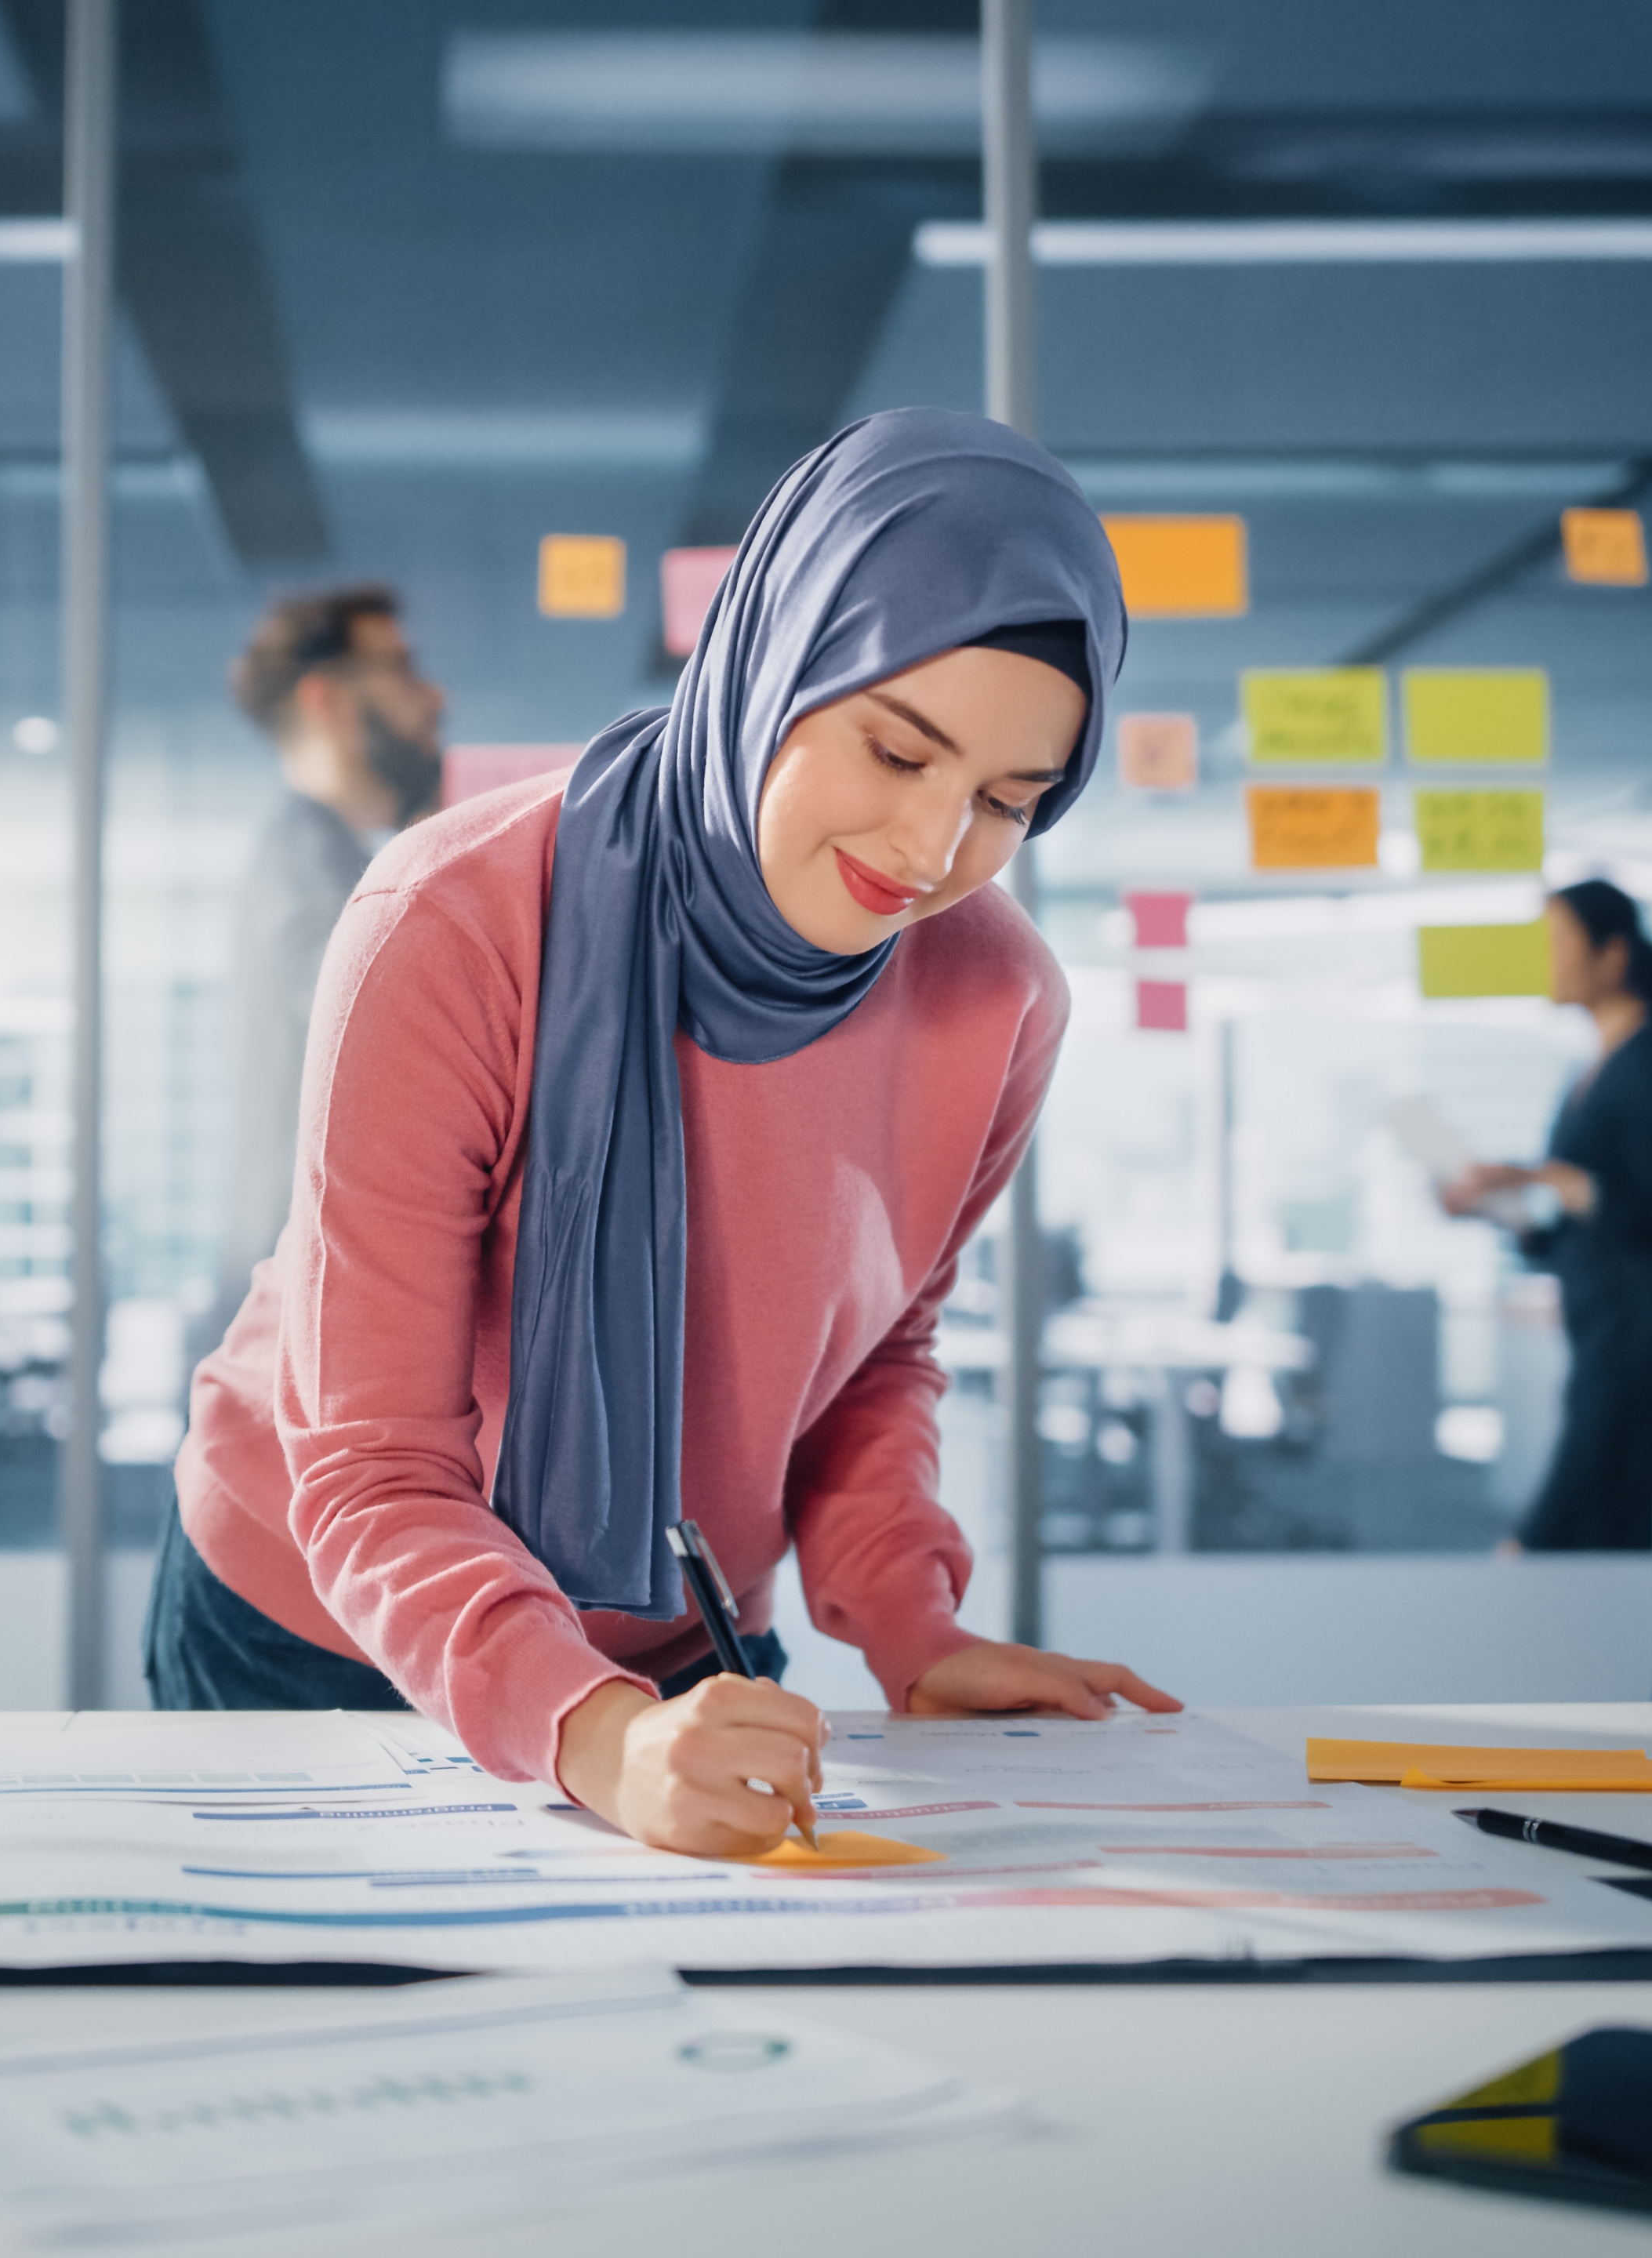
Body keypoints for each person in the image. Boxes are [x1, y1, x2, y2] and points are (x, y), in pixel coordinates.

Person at [158, 408, 1177, 1858]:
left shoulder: (998, 997)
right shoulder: (451, 922)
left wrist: (908, 1623)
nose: (934, 848)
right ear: (779, 663)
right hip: (319, 1621)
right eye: (898, 752)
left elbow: (876, 1351)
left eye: (1010, 802)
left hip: (677, 1643)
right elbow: (371, 1460)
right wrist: (595, 1738)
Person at [1442, 878, 1652, 1552]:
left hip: (1643, 1340)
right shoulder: (1593, 1069)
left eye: (1557, 943)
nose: (1547, 960)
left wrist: (1543, 1176)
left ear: (1611, 956)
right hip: (1604, 1324)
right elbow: (1579, 1232)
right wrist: (1500, 1209)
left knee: (1603, 1524)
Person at [207, 586, 448, 1354]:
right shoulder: (310, 864)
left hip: (298, 1302)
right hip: (297, 1320)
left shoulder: (323, 858)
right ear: (326, 700)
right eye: (401, 669)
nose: (432, 697)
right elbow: (385, 1028)